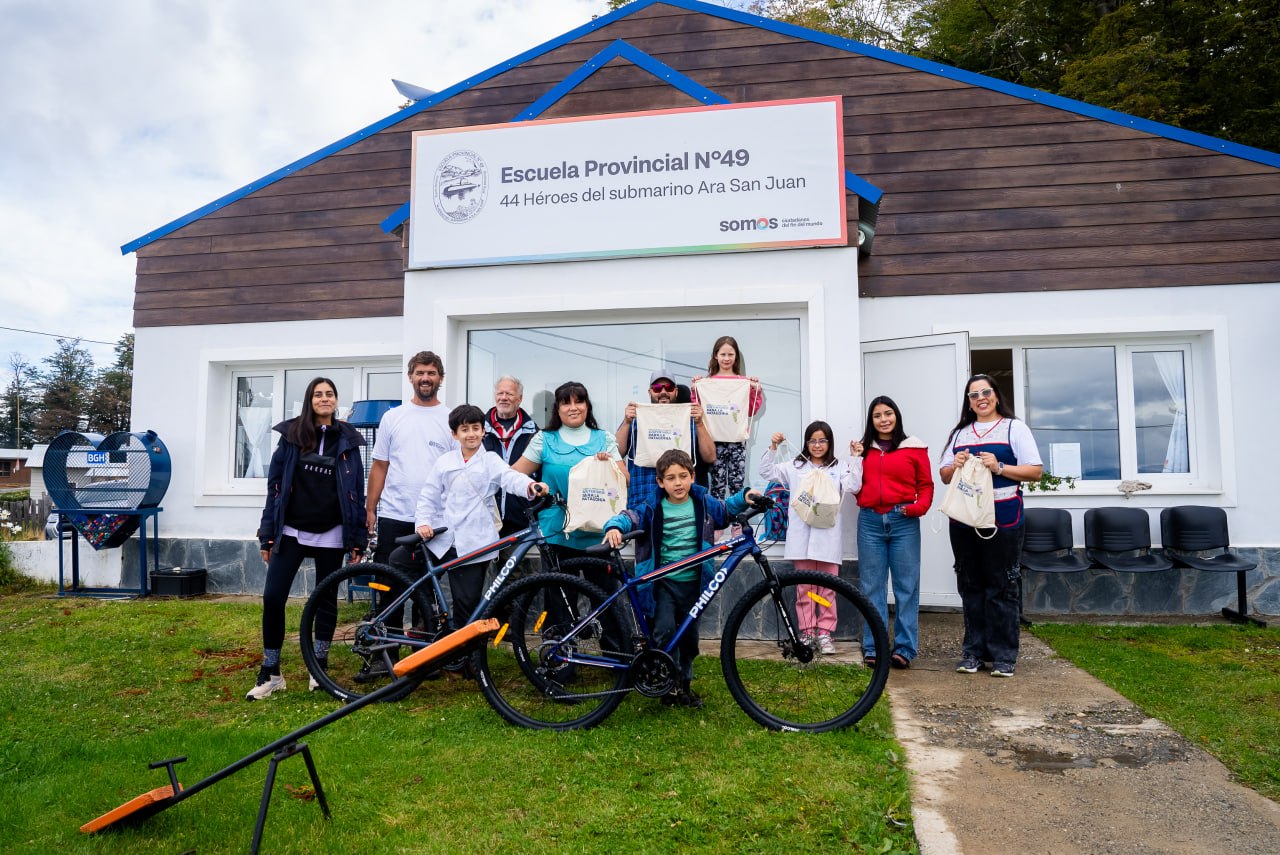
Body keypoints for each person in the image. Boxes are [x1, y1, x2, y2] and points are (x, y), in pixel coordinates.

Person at [603, 449, 759, 708]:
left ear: (693, 477)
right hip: (662, 584)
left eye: (683, 476)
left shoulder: (702, 503)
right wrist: (615, 527)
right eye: (671, 478)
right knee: (664, 631)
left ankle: (683, 684)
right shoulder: (652, 507)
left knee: (689, 639)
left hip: (694, 583)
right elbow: (629, 516)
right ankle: (668, 685)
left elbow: (726, 510)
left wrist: (746, 496)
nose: (678, 483)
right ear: (660, 482)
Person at [251, 377, 367, 700]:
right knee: (273, 597)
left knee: (326, 601)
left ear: (336, 401)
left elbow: (355, 491)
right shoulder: (291, 437)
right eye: (318, 394)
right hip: (291, 532)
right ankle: (271, 671)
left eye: (330, 394)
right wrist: (267, 533)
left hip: (331, 534)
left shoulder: (348, 442)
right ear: (309, 400)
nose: (324, 399)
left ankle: (319, 667)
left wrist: (358, 538)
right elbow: (274, 487)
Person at [940, 374, 1043, 678]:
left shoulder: (1015, 428)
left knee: (1001, 584)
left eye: (986, 392)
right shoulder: (960, 434)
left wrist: (999, 467)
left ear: (996, 396)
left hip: (1003, 515)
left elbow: (1035, 471)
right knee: (970, 584)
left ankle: (1003, 655)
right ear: (968, 403)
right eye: (974, 395)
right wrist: (955, 465)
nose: (981, 398)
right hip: (965, 517)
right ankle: (973, 652)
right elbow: (945, 476)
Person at [415, 404, 547, 628]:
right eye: (465, 429)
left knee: (467, 603)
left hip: (475, 542)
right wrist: (424, 522)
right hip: (442, 538)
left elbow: (510, 478)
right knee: (403, 563)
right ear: (454, 434)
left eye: (476, 428)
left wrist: (531, 486)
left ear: (483, 431)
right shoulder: (445, 461)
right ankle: (427, 629)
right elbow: (429, 495)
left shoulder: (490, 460)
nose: (471, 434)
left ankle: (464, 657)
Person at [760, 421, 861, 656]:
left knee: (826, 590)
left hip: (828, 540)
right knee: (805, 589)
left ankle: (825, 633)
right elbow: (766, 472)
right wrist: (773, 446)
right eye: (813, 440)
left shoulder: (839, 467)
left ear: (830, 443)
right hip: (801, 539)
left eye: (822, 440)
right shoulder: (795, 467)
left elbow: (854, 486)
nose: (817, 445)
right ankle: (806, 631)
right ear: (806, 442)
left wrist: (857, 459)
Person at [852, 396, 934, 670]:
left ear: (896, 416)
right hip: (870, 522)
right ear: (871, 420)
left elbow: (926, 485)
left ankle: (904, 649)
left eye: (888, 413)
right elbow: (852, 484)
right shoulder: (863, 450)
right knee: (872, 587)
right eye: (877, 415)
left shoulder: (914, 447)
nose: (884, 419)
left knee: (906, 587)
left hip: (903, 522)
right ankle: (873, 647)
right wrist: (854, 459)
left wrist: (917, 508)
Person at [512, 381, 627, 555]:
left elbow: (625, 480)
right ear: (557, 409)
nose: (573, 408)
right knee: (558, 583)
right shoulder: (544, 439)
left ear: (587, 406)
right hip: (555, 533)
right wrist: (533, 488)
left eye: (579, 402)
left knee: (600, 584)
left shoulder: (605, 439)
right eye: (566, 403)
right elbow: (513, 475)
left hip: (598, 532)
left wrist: (608, 466)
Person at [365, 351, 457, 562]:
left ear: (441, 378)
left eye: (432, 373)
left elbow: (455, 473)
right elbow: (380, 466)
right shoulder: (392, 417)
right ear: (410, 377)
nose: (425, 378)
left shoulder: (450, 419)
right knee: (389, 586)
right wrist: (370, 509)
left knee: (428, 588)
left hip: (435, 519)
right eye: (420, 372)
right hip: (394, 515)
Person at [616, 367, 717, 513]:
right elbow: (617, 452)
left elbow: (710, 456)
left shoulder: (689, 419)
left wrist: (700, 423)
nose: (663, 392)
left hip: (681, 506)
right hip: (642, 502)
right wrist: (626, 422)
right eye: (657, 388)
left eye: (668, 387)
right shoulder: (635, 418)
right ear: (650, 392)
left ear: (675, 391)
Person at [691, 335, 764, 499]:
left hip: (737, 440)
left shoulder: (744, 382)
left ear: (736, 356)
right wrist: (696, 389)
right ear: (715, 356)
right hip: (713, 441)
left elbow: (751, 411)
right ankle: (718, 523)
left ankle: (737, 523)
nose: (726, 358)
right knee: (717, 485)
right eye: (722, 354)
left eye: (730, 354)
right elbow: (698, 410)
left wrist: (754, 390)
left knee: (737, 484)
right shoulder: (706, 383)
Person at [482, 375, 539, 537]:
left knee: (514, 563)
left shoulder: (534, 434)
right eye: (500, 394)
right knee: (481, 563)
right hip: (484, 518)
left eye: (509, 394)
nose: (504, 398)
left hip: (519, 521)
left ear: (519, 399)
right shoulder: (478, 431)